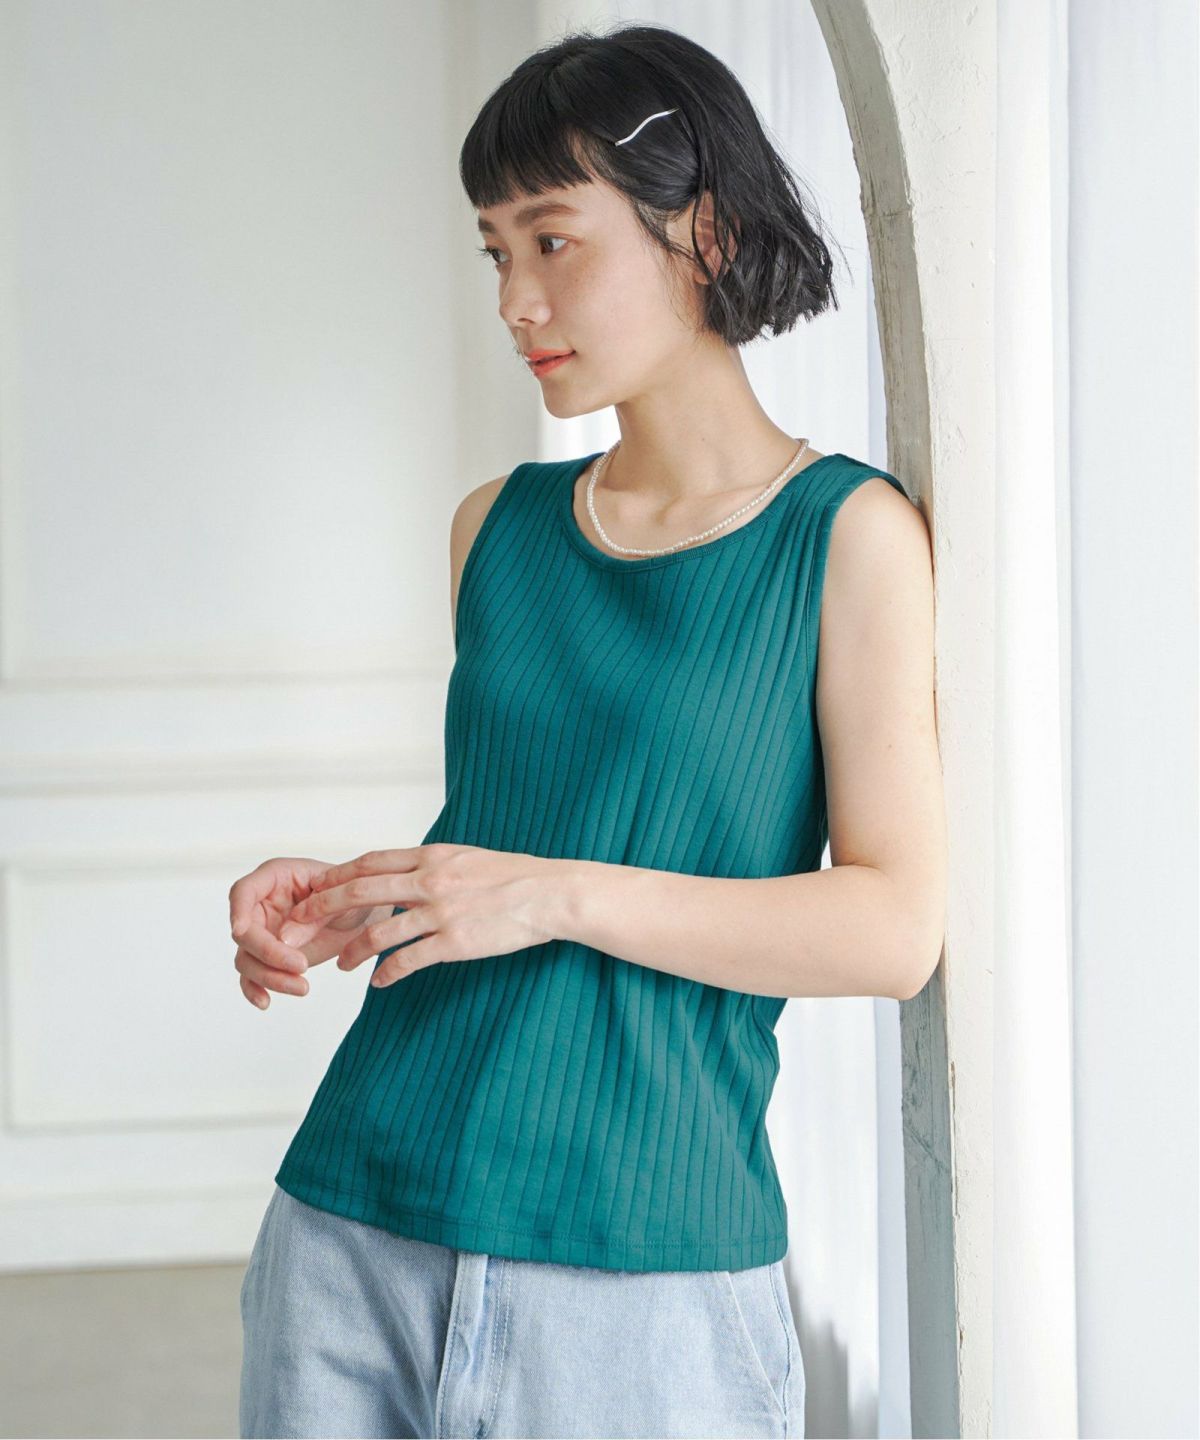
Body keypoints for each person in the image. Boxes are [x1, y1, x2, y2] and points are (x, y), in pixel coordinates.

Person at [232, 21, 947, 1440]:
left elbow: (891, 928)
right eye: (495, 251)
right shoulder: (493, 530)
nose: (516, 299)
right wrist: (351, 893)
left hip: (645, 1268)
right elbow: (509, 841)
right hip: (355, 1219)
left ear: (705, 231)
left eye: (554, 241)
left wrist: (549, 896)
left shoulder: (846, 538)